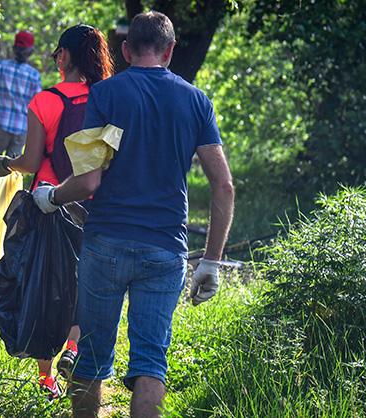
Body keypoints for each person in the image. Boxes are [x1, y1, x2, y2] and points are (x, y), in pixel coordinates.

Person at [30, 12, 235, 418]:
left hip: (105, 243)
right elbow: (224, 186)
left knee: (90, 359)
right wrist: (211, 261)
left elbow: (89, 182)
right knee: (150, 363)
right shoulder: (196, 101)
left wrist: (51, 196)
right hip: (164, 250)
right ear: (171, 50)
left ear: (125, 50)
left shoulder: (107, 95)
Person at [0, 24, 113, 400]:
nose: (56, 58)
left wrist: (5, 164)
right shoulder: (104, 99)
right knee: (82, 282)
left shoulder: (45, 101)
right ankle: (73, 348)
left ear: (65, 56)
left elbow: (30, 160)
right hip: (91, 205)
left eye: (58, 52)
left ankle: (46, 378)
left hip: (47, 201)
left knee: (43, 284)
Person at [0, 31, 42, 159]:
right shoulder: (34, 76)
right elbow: (38, 106)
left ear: (14, 49)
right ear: (31, 52)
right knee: (12, 172)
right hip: (21, 129)